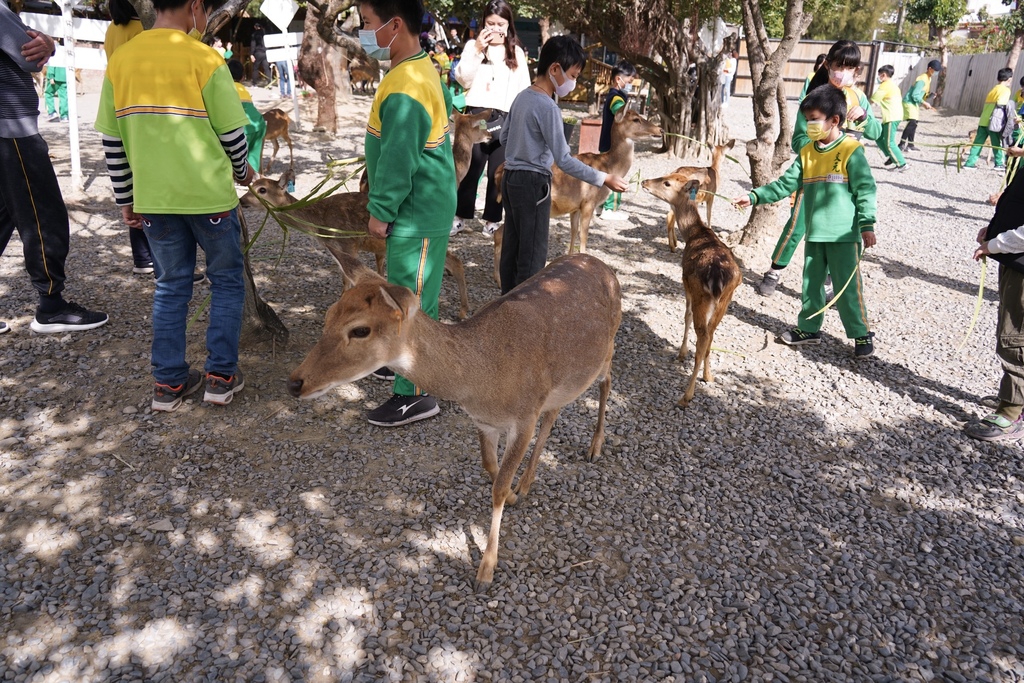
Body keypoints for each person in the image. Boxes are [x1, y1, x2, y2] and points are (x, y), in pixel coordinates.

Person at [96, 0, 255, 411]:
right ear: (195, 7)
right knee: (226, 281)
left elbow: (113, 143)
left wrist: (126, 198)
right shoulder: (205, 58)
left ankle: (167, 383)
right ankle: (221, 377)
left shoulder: (121, 60)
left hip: (154, 201)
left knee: (170, 287)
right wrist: (243, 172)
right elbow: (232, 134)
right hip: (210, 199)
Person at [358, 0, 457, 427]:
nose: (364, 33)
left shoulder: (406, 84)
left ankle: (415, 393)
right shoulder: (417, 69)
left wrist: (380, 210)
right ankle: (399, 361)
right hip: (418, 208)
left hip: (415, 211)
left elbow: (400, 157)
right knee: (404, 292)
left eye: (367, 24)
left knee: (409, 301)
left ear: (394, 25)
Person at [736, 85, 877, 358]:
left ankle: (861, 334)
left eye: (814, 119)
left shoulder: (851, 150)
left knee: (847, 287)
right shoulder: (808, 153)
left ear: (834, 120)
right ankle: (808, 329)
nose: (810, 125)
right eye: (808, 119)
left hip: (843, 237)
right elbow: (784, 185)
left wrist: (867, 225)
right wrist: (754, 196)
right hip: (814, 234)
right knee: (811, 286)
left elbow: (866, 191)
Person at [1, 0, 107, 336]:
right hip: (11, 128)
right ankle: (51, 305)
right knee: (42, 214)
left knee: (4, 214)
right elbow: (29, 55)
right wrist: (47, 43)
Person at [498, 35, 628, 293]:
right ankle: (525, 315)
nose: (574, 82)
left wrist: (526, 146)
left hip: (511, 178)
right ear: (555, 69)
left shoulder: (521, 97)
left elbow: (504, 137)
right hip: (534, 184)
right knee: (532, 258)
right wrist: (604, 178)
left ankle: (505, 307)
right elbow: (565, 160)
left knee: (511, 250)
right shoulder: (548, 107)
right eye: (573, 74)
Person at [756, 40, 880, 297]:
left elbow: (877, 133)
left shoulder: (860, 98)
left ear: (857, 70)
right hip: (814, 173)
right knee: (797, 225)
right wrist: (823, 146)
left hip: (846, 178)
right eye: (839, 65)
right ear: (828, 65)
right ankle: (774, 271)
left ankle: (827, 282)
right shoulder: (815, 97)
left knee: (841, 229)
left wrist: (866, 119)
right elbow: (799, 139)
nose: (843, 72)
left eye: (850, 67)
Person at [450, 0, 530, 237]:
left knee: (498, 170)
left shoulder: (515, 52)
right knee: (472, 164)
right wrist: (476, 50)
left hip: (505, 115)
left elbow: (523, 88)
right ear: (483, 23)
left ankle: (492, 220)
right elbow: (462, 79)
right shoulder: (473, 47)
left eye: (500, 24)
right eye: (490, 23)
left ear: (509, 25)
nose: (495, 29)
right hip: (478, 115)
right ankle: (460, 215)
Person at [966, 141, 1024, 440]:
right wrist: (994, 227)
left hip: (1021, 264)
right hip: (1013, 257)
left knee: (1014, 337)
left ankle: (1011, 412)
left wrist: (996, 244)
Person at [104, 0, 152, 275]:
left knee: (132, 185)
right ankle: (159, 260)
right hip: (141, 109)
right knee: (147, 183)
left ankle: (142, 258)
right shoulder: (143, 28)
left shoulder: (113, 29)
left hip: (117, 106)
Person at [598, 60, 637, 222]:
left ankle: (600, 205)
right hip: (614, 146)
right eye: (629, 81)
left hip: (607, 143)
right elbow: (620, 113)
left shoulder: (614, 94)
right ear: (618, 79)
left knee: (606, 175)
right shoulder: (615, 97)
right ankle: (609, 209)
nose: (630, 84)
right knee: (616, 175)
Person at [964, 67, 1014, 171]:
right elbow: (1002, 104)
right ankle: (999, 163)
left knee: (977, 143)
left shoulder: (993, 89)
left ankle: (969, 163)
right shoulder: (1005, 90)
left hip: (983, 120)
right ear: (1009, 79)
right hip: (994, 122)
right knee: (996, 144)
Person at [228, 59, 267, 173]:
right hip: (258, 124)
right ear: (243, 77)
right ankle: (253, 175)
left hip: (242, 127)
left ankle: (238, 174)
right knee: (253, 154)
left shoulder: (226, 88)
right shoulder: (243, 89)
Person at [870, 64, 907, 170]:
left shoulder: (885, 85)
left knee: (889, 143)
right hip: (892, 116)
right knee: (879, 137)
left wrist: (863, 105)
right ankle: (892, 156)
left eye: (879, 75)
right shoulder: (893, 85)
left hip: (892, 117)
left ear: (884, 75)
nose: (878, 78)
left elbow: (874, 99)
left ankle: (902, 164)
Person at [899, 59, 940, 152]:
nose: (936, 72)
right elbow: (914, 95)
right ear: (930, 69)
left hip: (914, 103)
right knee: (912, 123)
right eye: (935, 70)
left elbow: (922, 93)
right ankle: (901, 144)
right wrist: (924, 103)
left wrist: (929, 96)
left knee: (914, 123)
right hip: (909, 102)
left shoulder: (928, 78)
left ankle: (910, 145)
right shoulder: (922, 79)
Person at [250, 21, 270, 86]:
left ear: (255, 27)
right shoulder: (265, 34)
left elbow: (253, 45)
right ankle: (269, 82)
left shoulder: (254, 34)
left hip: (258, 52)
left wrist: (251, 54)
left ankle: (254, 83)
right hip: (265, 52)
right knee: (266, 68)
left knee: (255, 68)